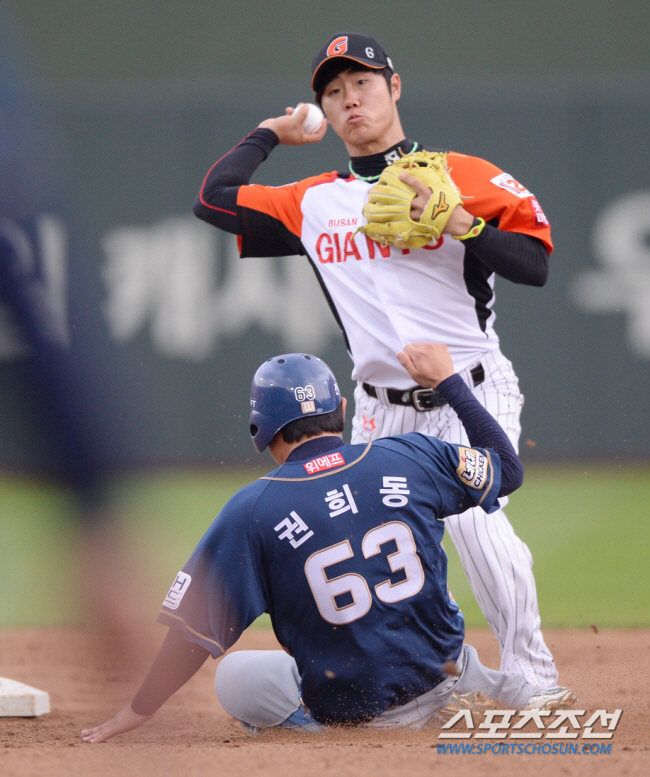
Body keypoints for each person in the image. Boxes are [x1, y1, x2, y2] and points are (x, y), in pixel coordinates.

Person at [192, 31, 569, 705]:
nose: (349, 99)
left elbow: (536, 264)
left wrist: (463, 224)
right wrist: (269, 132)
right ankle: (440, 673)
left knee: (477, 524)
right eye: (333, 91)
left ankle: (533, 680)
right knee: (373, 539)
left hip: (470, 389)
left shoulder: (462, 175)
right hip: (376, 406)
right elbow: (215, 198)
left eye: (362, 82)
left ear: (394, 88)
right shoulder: (311, 202)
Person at [82, 342, 566, 743]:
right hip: (447, 678)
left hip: (359, 711)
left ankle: (329, 731)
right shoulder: (411, 453)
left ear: (259, 429)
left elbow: (191, 634)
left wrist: (138, 710)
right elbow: (508, 468)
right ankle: (496, 688)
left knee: (232, 677)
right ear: (341, 409)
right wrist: (448, 384)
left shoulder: (253, 510)